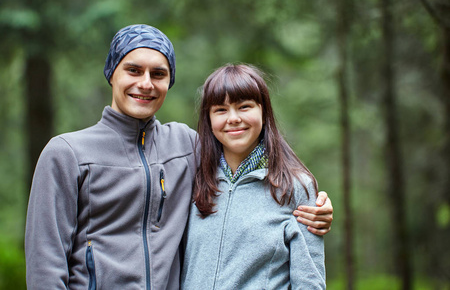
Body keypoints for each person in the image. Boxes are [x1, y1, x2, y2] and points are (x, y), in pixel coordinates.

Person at [25, 24, 332, 289]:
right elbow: (45, 264)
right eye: (133, 70)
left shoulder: (187, 145)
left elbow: (244, 159)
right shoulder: (67, 153)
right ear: (111, 74)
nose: (145, 83)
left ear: (168, 83)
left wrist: (314, 204)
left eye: (158, 74)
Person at [181, 64, 326, 289]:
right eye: (220, 110)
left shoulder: (295, 187)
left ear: (264, 112)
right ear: (209, 119)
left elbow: (309, 282)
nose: (233, 118)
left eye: (244, 106)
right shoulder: (192, 179)